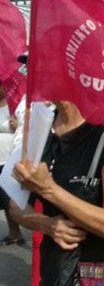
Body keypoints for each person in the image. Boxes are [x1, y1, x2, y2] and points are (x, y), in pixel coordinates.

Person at [10, 101, 104, 284]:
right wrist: (47, 224)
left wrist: (48, 189)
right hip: (55, 272)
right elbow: (16, 205)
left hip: (101, 276)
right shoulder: (40, 128)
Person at [0, 84, 24, 247]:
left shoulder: (15, 103)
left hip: (10, 156)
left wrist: (15, 125)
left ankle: (17, 231)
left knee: (9, 198)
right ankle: (13, 233)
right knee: (3, 199)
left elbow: (23, 128)